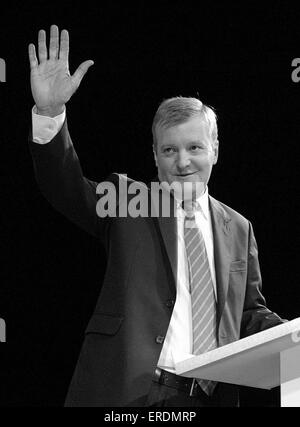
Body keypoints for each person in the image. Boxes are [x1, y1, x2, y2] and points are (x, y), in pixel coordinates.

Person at [28, 25, 285, 407]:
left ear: (214, 148)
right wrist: (50, 113)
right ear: (154, 155)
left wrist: (291, 336)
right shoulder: (130, 200)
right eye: (169, 151)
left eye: (194, 147)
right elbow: (65, 187)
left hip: (210, 398)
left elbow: (247, 313)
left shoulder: (239, 228)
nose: (183, 163)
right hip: (131, 393)